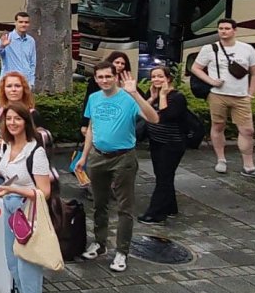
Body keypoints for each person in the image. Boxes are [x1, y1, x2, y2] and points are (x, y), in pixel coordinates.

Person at [83, 57, 158, 273]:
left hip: (123, 157)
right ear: (95, 80)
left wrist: (134, 93)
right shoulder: (94, 98)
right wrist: (84, 156)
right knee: (99, 202)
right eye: (100, 77)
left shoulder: (128, 98)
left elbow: (153, 119)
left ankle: (122, 251)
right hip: (98, 156)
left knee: (125, 207)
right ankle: (99, 242)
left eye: (108, 76)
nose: (105, 80)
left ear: (116, 77)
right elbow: (91, 127)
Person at [0, 102, 54, 293]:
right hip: (11, 208)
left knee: (28, 262)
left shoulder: (36, 152)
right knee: (13, 259)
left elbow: (44, 191)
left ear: (27, 121)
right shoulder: (7, 145)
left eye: (18, 118)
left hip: (28, 210)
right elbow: (12, 174)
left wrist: (15, 191)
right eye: (9, 119)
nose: (13, 123)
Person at [190, 20, 255, 180]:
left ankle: (249, 166)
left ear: (234, 30)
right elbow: (195, 68)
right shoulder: (209, 49)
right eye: (221, 29)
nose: (223, 31)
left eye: (227, 28)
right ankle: (221, 159)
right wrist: (211, 82)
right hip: (217, 95)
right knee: (218, 125)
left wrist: (251, 93)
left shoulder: (247, 49)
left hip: (241, 96)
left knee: (247, 130)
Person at [139, 66, 189, 223]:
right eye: (153, 77)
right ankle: (170, 207)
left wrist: (162, 95)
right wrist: (152, 98)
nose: (156, 80)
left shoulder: (177, 97)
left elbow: (165, 116)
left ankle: (155, 213)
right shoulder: (153, 94)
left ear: (168, 78)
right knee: (163, 176)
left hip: (172, 144)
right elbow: (143, 112)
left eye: (160, 76)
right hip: (156, 142)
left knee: (164, 177)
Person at [79, 51, 131, 144]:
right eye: (117, 62)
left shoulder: (127, 82)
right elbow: (88, 102)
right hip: (99, 120)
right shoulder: (96, 83)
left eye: (122, 63)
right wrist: (84, 124)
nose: (119, 65)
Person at [0, 11, 37, 87]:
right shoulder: (7, 38)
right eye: (20, 22)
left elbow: (32, 63)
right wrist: (2, 47)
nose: (23, 24)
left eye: (26, 22)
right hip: (9, 84)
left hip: (25, 83)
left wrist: (31, 82)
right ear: (15, 23)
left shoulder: (31, 41)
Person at [0, 71, 33, 141]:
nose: (13, 89)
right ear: (3, 90)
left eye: (17, 86)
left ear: (24, 89)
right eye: (9, 86)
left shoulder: (32, 113)